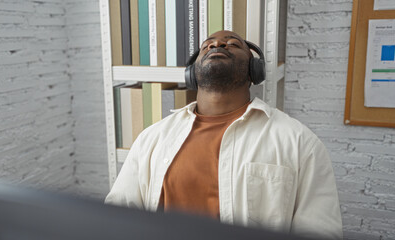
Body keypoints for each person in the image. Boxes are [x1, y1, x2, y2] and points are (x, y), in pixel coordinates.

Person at [105, 30, 342, 239]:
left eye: (232, 44)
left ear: (254, 71)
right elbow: (117, 216)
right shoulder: (152, 138)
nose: (216, 45)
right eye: (207, 45)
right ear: (192, 72)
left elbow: (319, 230)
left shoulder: (299, 142)